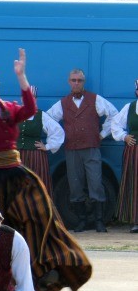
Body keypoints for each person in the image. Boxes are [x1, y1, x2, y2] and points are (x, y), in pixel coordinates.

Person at [0, 50, 91, 291]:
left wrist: (21, 77)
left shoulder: (7, 107)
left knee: (40, 217)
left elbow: (30, 108)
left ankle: (44, 271)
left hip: (16, 175)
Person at [46, 69, 118, 232]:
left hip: (92, 148)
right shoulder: (62, 103)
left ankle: (99, 221)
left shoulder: (95, 99)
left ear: (83, 82)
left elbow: (114, 114)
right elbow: (48, 119)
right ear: (69, 82)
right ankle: (81, 221)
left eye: (79, 80)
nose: (76, 83)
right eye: (73, 80)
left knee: (95, 183)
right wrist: (60, 135)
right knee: (75, 184)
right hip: (71, 149)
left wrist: (101, 134)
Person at [16, 85, 64, 195]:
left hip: (35, 157)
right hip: (17, 156)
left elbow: (58, 131)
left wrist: (47, 146)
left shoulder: (41, 115)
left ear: (35, 99)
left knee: (36, 186)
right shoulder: (16, 113)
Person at [111, 81, 138, 233]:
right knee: (134, 185)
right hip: (134, 151)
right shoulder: (130, 107)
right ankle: (136, 221)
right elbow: (115, 124)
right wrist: (124, 136)